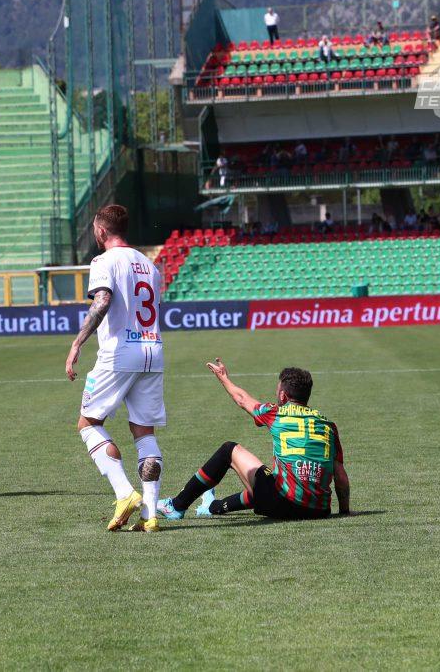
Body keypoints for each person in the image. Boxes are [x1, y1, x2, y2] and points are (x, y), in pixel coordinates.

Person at [64, 205, 166, 533]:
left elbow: (103, 300)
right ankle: (149, 514)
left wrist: (78, 342)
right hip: (153, 350)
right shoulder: (150, 265)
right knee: (144, 433)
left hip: (119, 353)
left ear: (102, 231)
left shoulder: (103, 261)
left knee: (88, 422)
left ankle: (124, 493)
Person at [157, 361, 350, 521]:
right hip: (319, 512)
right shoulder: (328, 425)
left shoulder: (276, 413)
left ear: (283, 395)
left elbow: (242, 399)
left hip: (284, 506)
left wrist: (224, 378)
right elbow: (340, 475)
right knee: (268, 478)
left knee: (229, 450)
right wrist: (344, 512)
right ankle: (212, 507)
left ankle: (176, 506)